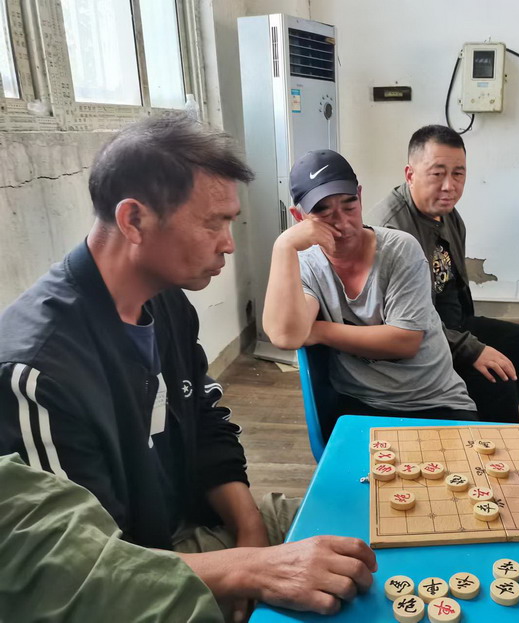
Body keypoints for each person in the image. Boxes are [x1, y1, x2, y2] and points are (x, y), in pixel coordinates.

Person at [0, 114, 376, 618]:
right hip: (133, 578)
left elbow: (205, 423)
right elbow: (85, 573)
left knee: (370, 528)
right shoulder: (36, 369)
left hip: (197, 529)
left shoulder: (166, 301)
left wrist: (250, 533)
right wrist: (248, 569)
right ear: (134, 220)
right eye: (213, 223)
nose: (229, 243)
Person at [263, 148, 477, 436]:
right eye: (323, 211)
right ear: (298, 216)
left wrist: (319, 331)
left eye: (349, 206)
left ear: (360, 197)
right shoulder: (306, 264)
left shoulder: (400, 249)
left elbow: (404, 341)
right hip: (358, 405)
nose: (342, 223)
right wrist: (283, 246)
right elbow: (286, 336)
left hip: (434, 403)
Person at [372, 125, 519, 424]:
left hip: (452, 328)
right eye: (437, 173)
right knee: (497, 381)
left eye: (458, 174)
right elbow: (400, 325)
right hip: (419, 346)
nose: (449, 186)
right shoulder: (390, 233)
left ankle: (480, 422)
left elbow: (454, 295)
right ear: (410, 174)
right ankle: (487, 437)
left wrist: (470, 341)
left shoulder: (447, 213)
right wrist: (471, 350)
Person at [0, 453, 223, 622]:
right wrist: (228, 570)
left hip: (166, 542)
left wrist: (243, 533)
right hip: (149, 557)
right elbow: (78, 570)